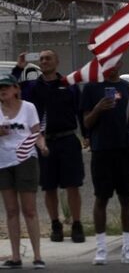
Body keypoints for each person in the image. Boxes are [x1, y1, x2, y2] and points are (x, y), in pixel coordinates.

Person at [12, 50, 86, 244]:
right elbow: (8, 88)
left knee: (73, 186)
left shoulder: (68, 86)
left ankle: (77, 224)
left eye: (48, 58)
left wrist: (87, 136)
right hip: (44, 142)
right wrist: (19, 67)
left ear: (57, 61)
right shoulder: (32, 87)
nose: (44, 61)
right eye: (42, 59)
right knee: (49, 187)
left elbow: (80, 111)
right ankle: (56, 225)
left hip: (68, 140)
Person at [80, 62, 129, 265]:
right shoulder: (91, 88)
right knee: (101, 199)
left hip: (125, 148)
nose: (111, 66)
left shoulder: (125, 87)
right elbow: (87, 123)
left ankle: (127, 247)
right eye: (106, 62)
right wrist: (98, 108)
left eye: (115, 62)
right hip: (101, 149)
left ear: (121, 64)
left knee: (126, 198)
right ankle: (101, 248)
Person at [0, 74, 48, 269]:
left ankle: (37, 256)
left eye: (7, 87)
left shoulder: (28, 108)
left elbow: (37, 133)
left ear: (16, 89)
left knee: (29, 209)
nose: (3, 90)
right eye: (0, 88)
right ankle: (16, 256)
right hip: (3, 161)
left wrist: (42, 146)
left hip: (25, 158)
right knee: (11, 210)